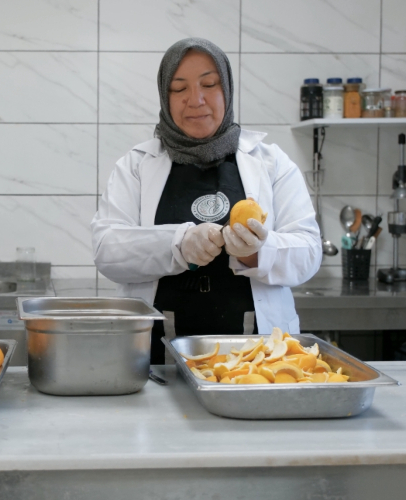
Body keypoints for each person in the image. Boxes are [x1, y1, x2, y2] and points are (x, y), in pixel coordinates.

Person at [91, 38, 321, 364]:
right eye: (179, 88)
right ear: (164, 97)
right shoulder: (137, 165)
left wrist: (257, 253)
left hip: (256, 361)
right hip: (155, 360)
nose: (195, 100)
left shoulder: (270, 163)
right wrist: (179, 243)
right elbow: (106, 249)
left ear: (225, 89)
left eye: (209, 84)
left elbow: (309, 252)